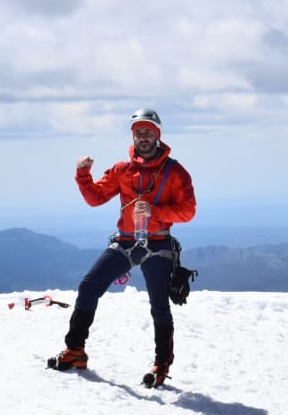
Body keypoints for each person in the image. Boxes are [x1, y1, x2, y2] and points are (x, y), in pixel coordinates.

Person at [49, 107, 196, 387]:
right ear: (134, 136)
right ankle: (75, 351)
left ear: (157, 135)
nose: (143, 136)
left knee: (159, 306)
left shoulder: (175, 172)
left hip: (157, 242)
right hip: (126, 240)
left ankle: (161, 365)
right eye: (138, 132)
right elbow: (95, 198)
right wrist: (83, 174)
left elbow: (188, 211)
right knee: (89, 285)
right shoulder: (122, 170)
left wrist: (155, 212)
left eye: (148, 131)